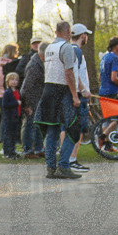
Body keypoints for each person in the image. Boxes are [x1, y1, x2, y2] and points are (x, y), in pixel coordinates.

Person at [34, 21, 81, 179]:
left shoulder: (48, 48)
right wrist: (75, 95)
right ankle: (64, 166)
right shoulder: (66, 47)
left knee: (52, 130)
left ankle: (51, 168)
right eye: (70, 32)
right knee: (73, 128)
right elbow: (68, 72)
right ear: (67, 31)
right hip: (62, 92)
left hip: (48, 90)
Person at [67, 23, 94, 172]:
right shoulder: (76, 51)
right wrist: (84, 90)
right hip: (78, 95)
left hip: (74, 94)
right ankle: (72, 159)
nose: (87, 37)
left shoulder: (70, 50)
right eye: (86, 35)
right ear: (82, 35)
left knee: (70, 127)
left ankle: (68, 159)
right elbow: (74, 74)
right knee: (79, 128)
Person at [20, 42, 47, 158]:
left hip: (38, 99)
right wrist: (26, 104)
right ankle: (27, 149)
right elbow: (27, 86)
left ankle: (38, 148)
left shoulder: (40, 64)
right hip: (31, 100)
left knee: (37, 125)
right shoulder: (34, 65)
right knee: (30, 125)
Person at [1, 71, 22, 159]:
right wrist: (16, 103)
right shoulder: (7, 93)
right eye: (12, 80)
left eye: (16, 80)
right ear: (8, 81)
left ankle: (12, 150)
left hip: (16, 116)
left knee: (14, 135)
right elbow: (5, 105)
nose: (14, 81)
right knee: (8, 135)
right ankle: (8, 152)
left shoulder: (17, 91)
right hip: (9, 117)